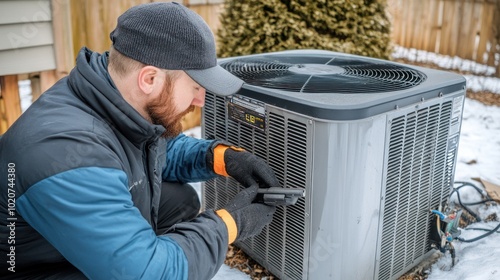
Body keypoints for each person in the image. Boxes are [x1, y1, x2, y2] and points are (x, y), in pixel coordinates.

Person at [0, 2, 280, 279]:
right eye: (195, 86)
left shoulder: (108, 94)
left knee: (180, 200)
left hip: (60, 241)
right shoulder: (67, 156)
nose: (201, 100)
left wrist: (220, 158)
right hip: (30, 270)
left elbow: (151, 147)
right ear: (149, 79)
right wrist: (231, 224)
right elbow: (149, 275)